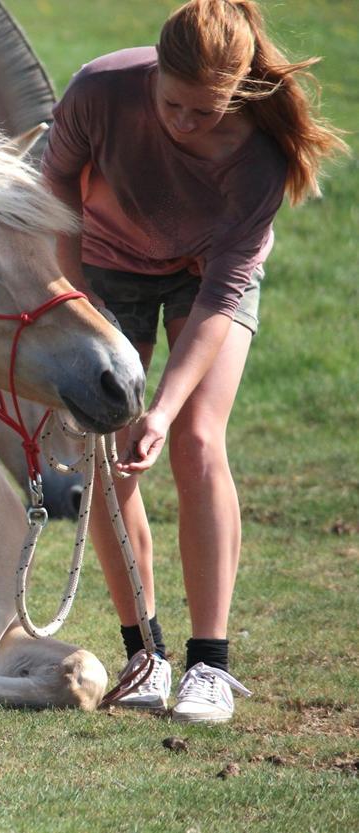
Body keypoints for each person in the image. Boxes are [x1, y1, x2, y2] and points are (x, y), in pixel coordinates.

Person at [41, 0, 347, 722]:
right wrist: (82, 306)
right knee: (106, 450)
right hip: (105, 265)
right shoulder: (100, 91)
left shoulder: (258, 161)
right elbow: (55, 188)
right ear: (154, 71)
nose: (185, 122)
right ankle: (143, 656)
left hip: (204, 275)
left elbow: (218, 301)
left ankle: (210, 665)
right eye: (174, 104)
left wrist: (166, 407)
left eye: (205, 113)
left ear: (238, 92)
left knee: (197, 439)